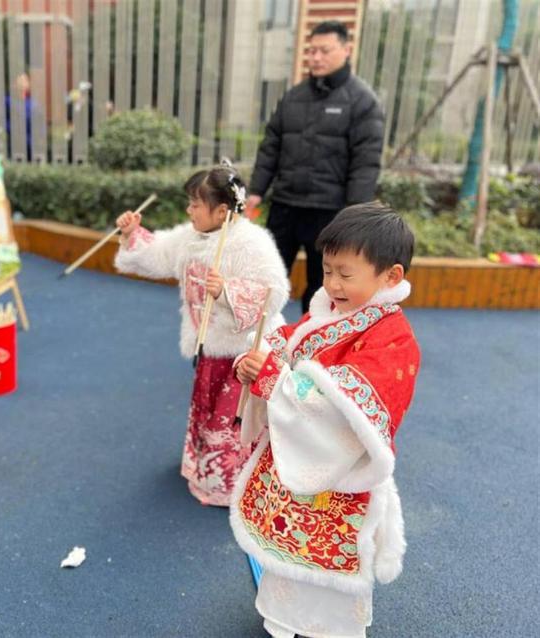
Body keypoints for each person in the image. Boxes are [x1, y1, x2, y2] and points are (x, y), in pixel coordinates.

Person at [229, 202, 420, 638]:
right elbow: (288, 344)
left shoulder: (393, 338)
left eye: (345, 274)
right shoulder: (330, 311)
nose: (331, 283)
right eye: (327, 269)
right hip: (305, 462)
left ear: (391, 276)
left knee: (328, 566)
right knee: (289, 554)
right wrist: (257, 361)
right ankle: (282, 619)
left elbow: (344, 405)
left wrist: (275, 378)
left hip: (341, 474)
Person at [114, 165, 289, 506]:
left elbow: (275, 291)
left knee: (233, 419)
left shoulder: (251, 243)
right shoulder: (190, 238)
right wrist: (132, 234)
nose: (189, 211)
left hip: (242, 353)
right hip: (209, 347)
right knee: (210, 413)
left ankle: (231, 484)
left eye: (195, 204)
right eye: (190, 203)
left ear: (222, 210)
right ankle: (208, 471)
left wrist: (227, 291)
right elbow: (155, 255)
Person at [245, 20, 385, 313]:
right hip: (284, 207)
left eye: (324, 50)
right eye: (311, 51)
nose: (316, 58)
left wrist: (355, 217)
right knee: (265, 280)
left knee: (321, 290)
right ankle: (256, 347)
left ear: (346, 50)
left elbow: (365, 164)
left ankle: (309, 351)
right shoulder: (294, 97)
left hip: (328, 214)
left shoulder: (362, 101)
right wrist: (257, 189)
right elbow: (271, 145)